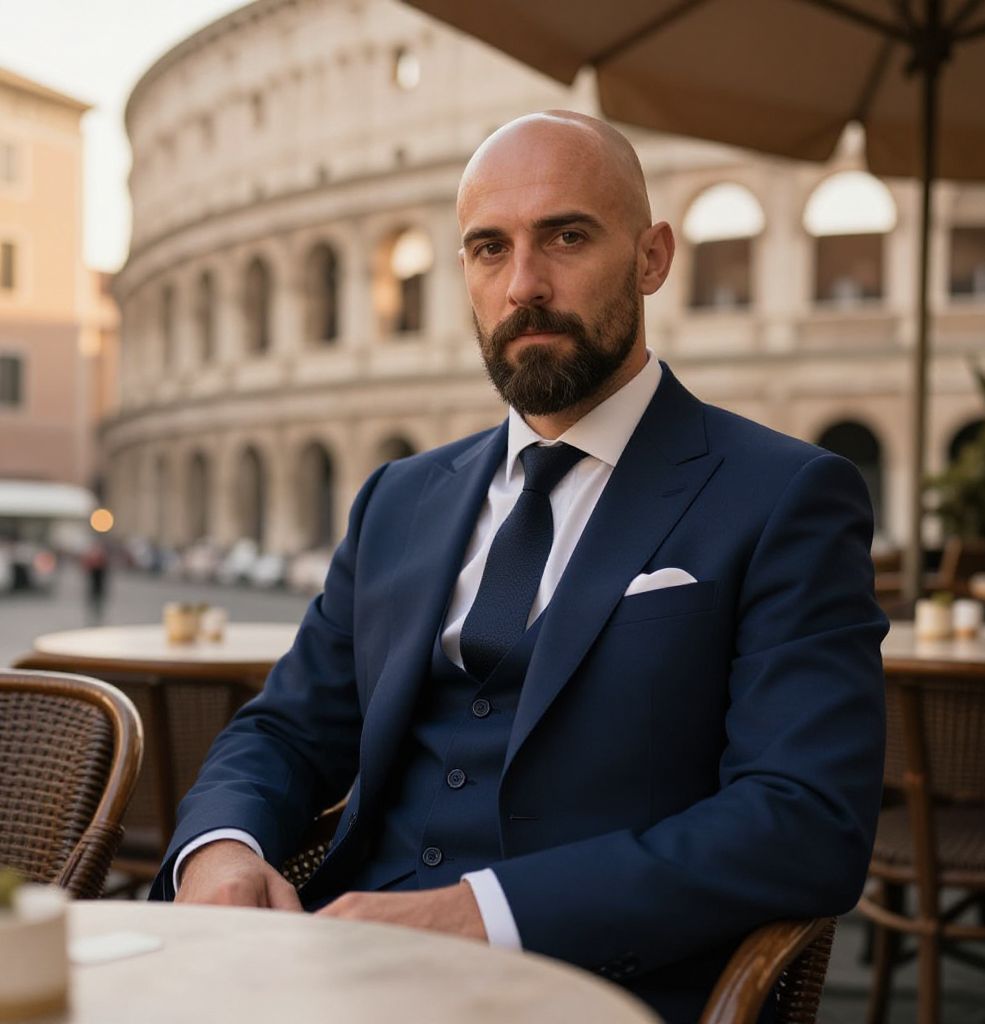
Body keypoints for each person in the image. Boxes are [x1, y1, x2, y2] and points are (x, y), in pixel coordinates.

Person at [152, 111, 887, 1022]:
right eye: (488, 249)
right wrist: (220, 848)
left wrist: (486, 915)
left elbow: (804, 819)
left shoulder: (786, 494)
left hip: (599, 985)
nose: (523, 286)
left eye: (566, 237)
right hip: (337, 966)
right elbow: (286, 731)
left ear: (653, 258)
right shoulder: (399, 498)